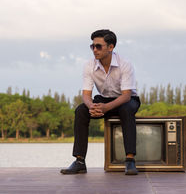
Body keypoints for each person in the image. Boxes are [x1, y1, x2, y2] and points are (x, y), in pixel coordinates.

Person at [60, 29, 140, 175]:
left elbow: (126, 95)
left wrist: (106, 108)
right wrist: (91, 106)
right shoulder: (89, 65)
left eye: (98, 46)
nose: (94, 50)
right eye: (92, 46)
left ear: (111, 47)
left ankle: (129, 160)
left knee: (126, 110)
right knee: (81, 111)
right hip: (103, 99)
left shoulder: (125, 64)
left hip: (126, 100)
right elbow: (86, 94)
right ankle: (79, 161)